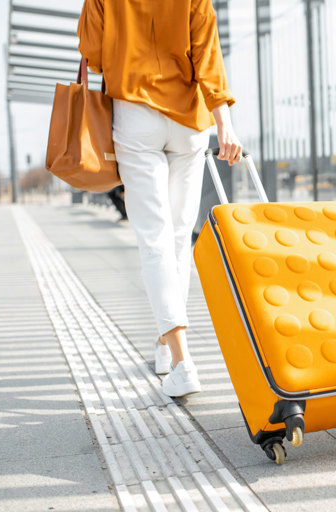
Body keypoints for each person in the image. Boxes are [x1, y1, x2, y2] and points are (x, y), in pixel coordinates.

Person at [78, 0, 242, 397]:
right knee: (177, 239)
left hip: (135, 117)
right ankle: (166, 346)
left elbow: (94, 56)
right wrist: (226, 125)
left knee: (154, 240)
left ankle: (182, 362)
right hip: (189, 121)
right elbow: (207, 56)